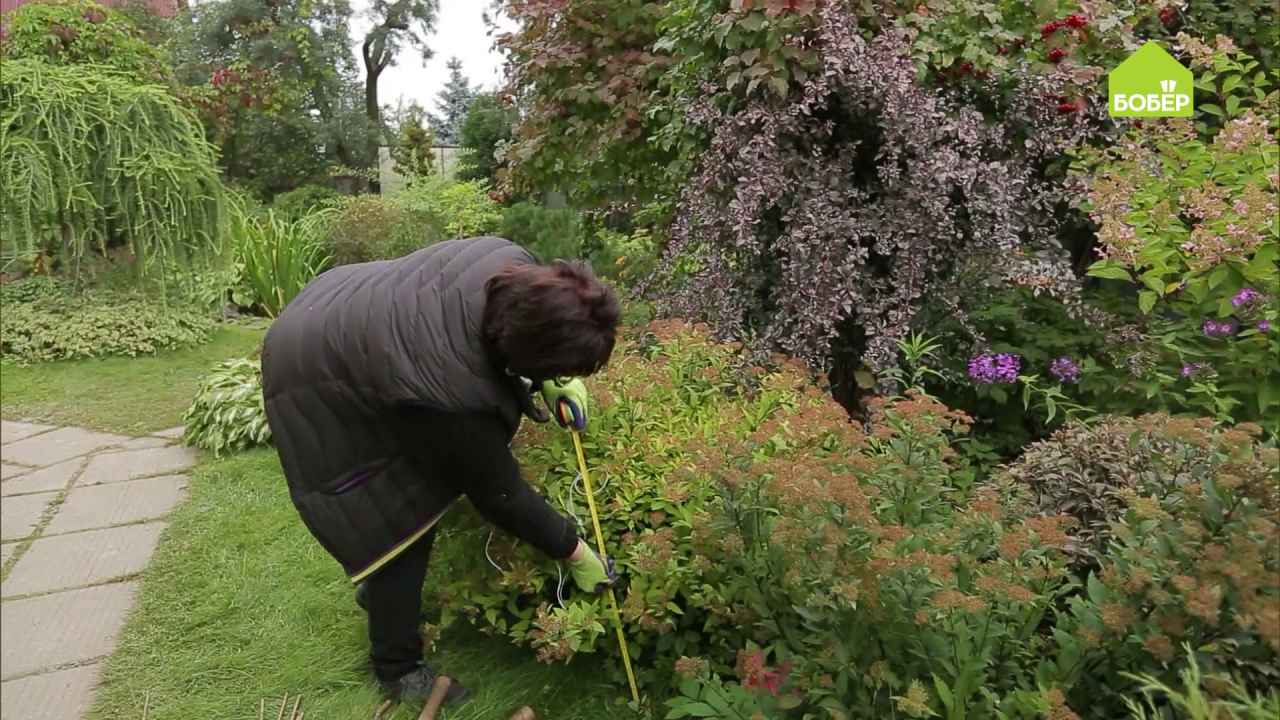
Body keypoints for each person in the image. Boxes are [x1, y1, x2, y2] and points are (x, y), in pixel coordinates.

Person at [260, 236, 621, 703]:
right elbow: (501, 494)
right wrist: (575, 554)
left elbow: (516, 335)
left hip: (341, 306)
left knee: (421, 477)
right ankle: (397, 667)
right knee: (397, 519)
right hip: (310, 368)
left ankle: (389, 603)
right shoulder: (445, 391)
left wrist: (555, 377)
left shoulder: (511, 263)